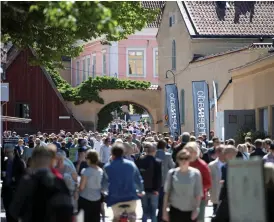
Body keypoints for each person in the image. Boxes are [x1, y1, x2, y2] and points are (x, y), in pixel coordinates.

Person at [9, 145, 73, 222]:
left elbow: (14, 210)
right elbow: (67, 210)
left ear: (33, 160)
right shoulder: (59, 182)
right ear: (52, 161)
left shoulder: (26, 181)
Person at [102, 143, 144, 222]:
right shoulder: (131, 165)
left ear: (112, 153)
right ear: (123, 152)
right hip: (131, 197)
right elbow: (138, 180)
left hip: (115, 198)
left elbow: (104, 184)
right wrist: (141, 191)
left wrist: (103, 191)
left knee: (115, 218)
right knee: (132, 216)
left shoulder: (107, 167)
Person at [162, 149, 203, 222]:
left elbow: (198, 193)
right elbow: (167, 193)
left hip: (190, 212)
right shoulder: (172, 173)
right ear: (178, 160)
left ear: (189, 159)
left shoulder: (196, 173)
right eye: (181, 158)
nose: (184, 161)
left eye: (186, 158)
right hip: (175, 211)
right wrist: (164, 211)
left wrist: (196, 209)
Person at [184, 142, 212, 222]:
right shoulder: (184, 163)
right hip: (185, 198)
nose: (187, 153)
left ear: (195, 152)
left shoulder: (202, 165)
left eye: (189, 151)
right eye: (186, 151)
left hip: (199, 199)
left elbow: (208, 183)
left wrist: (197, 188)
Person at [135, 142, 162, 222]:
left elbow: (137, 175)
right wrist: (157, 189)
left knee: (145, 211)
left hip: (143, 189)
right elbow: (158, 177)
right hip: (154, 190)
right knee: (153, 213)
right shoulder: (157, 162)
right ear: (154, 151)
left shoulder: (140, 161)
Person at [2, 145, 25, 222]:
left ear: (13, 152)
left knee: (15, 213)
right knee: (7, 212)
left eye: (9, 152)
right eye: (6, 152)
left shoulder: (19, 162)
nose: (7, 154)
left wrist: (16, 178)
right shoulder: (4, 163)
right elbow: (3, 176)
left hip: (15, 190)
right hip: (6, 190)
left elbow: (24, 175)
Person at [78, 150, 104, 222]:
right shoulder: (101, 171)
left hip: (85, 199)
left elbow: (81, 187)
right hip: (97, 200)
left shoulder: (86, 171)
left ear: (89, 159)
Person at [155, 139, 175, 222]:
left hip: (155, 182)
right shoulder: (167, 155)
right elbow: (173, 166)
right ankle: (160, 218)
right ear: (164, 146)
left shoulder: (153, 154)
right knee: (163, 202)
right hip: (165, 182)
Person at [208, 145, 226, 215]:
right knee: (216, 213)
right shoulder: (211, 165)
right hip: (216, 193)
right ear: (217, 153)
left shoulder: (229, 164)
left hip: (226, 195)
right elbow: (209, 179)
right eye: (220, 152)